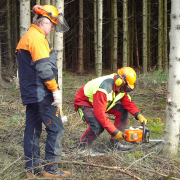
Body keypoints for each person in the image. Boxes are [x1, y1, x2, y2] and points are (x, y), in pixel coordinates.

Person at [15, 5, 70, 179]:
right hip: (42, 92)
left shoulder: (28, 37)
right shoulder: (37, 39)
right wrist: (54, 91)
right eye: (52, 25)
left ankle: (31, 169)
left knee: (32, 129)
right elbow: (45, 68)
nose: (53, 28)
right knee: (56, 128)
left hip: (31, 93)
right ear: (43, 22)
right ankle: (51, 168)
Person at [74, 67, 147, 153]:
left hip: (102, 102)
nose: (126, 90)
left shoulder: (121, 89)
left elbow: (127, 103)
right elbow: (100, 114)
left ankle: (115, 144)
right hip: (85, 102)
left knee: (122, 110)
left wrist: (138, 114)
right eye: (126, 87)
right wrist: (114, 132)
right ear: (119, 81)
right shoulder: (104, 88)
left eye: (128, 89)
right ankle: (80, 147)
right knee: (98, 126)